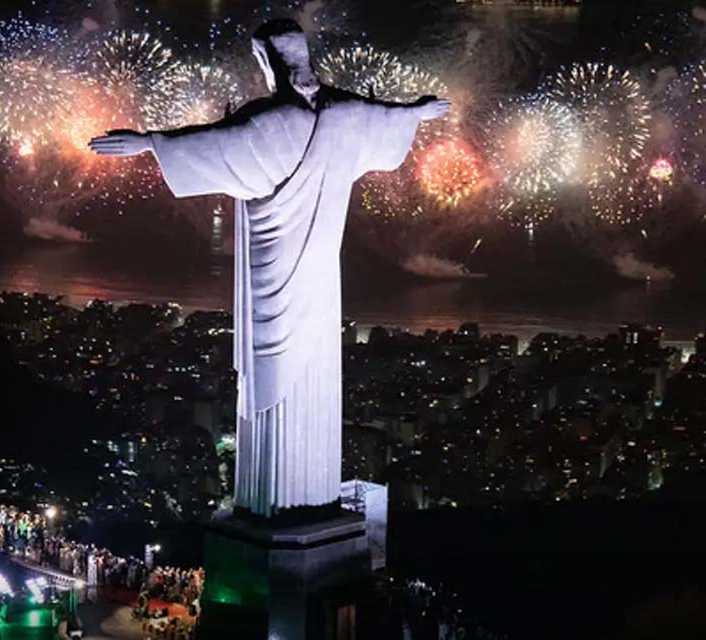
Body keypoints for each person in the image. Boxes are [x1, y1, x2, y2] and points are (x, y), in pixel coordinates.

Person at [90, 18, 449, 517]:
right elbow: (386, 118)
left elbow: (211, 143)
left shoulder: (271, 123)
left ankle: (274, 509)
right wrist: (417, 112)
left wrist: (150, 142)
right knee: (311, 377)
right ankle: (305, 505)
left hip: (272, 277)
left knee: (271, 381)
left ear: (266, 62)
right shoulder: (346, 113)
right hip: (323, 286)